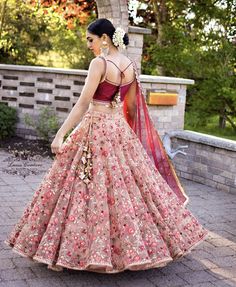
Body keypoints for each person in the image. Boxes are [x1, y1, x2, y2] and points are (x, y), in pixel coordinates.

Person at [5, 18, 208, 273]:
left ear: (104, 38)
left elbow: (82, 104)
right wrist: (128, 138)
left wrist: (60, 135)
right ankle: (132, 249)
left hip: (95, 127)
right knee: (123, 190)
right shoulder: (129, 65)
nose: (89, 45)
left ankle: (77, 250)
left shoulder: (99, 63)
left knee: (84, 187)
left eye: (91, 39)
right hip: (117, 128)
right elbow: (132, 107)